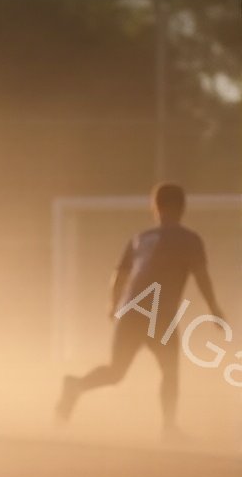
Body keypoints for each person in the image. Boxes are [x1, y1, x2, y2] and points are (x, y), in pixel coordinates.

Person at [56, 182, 224, 437]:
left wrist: (113, 304)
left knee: (115, 371)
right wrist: (214, 309)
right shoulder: (189, 239)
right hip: (158, 312)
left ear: (155, 207)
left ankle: (76, 385)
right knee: (170, 370)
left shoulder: (140, 238)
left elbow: (119, 274)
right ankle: (168, 428)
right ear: (183, 207)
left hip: (131, 308)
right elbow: (201, 276)